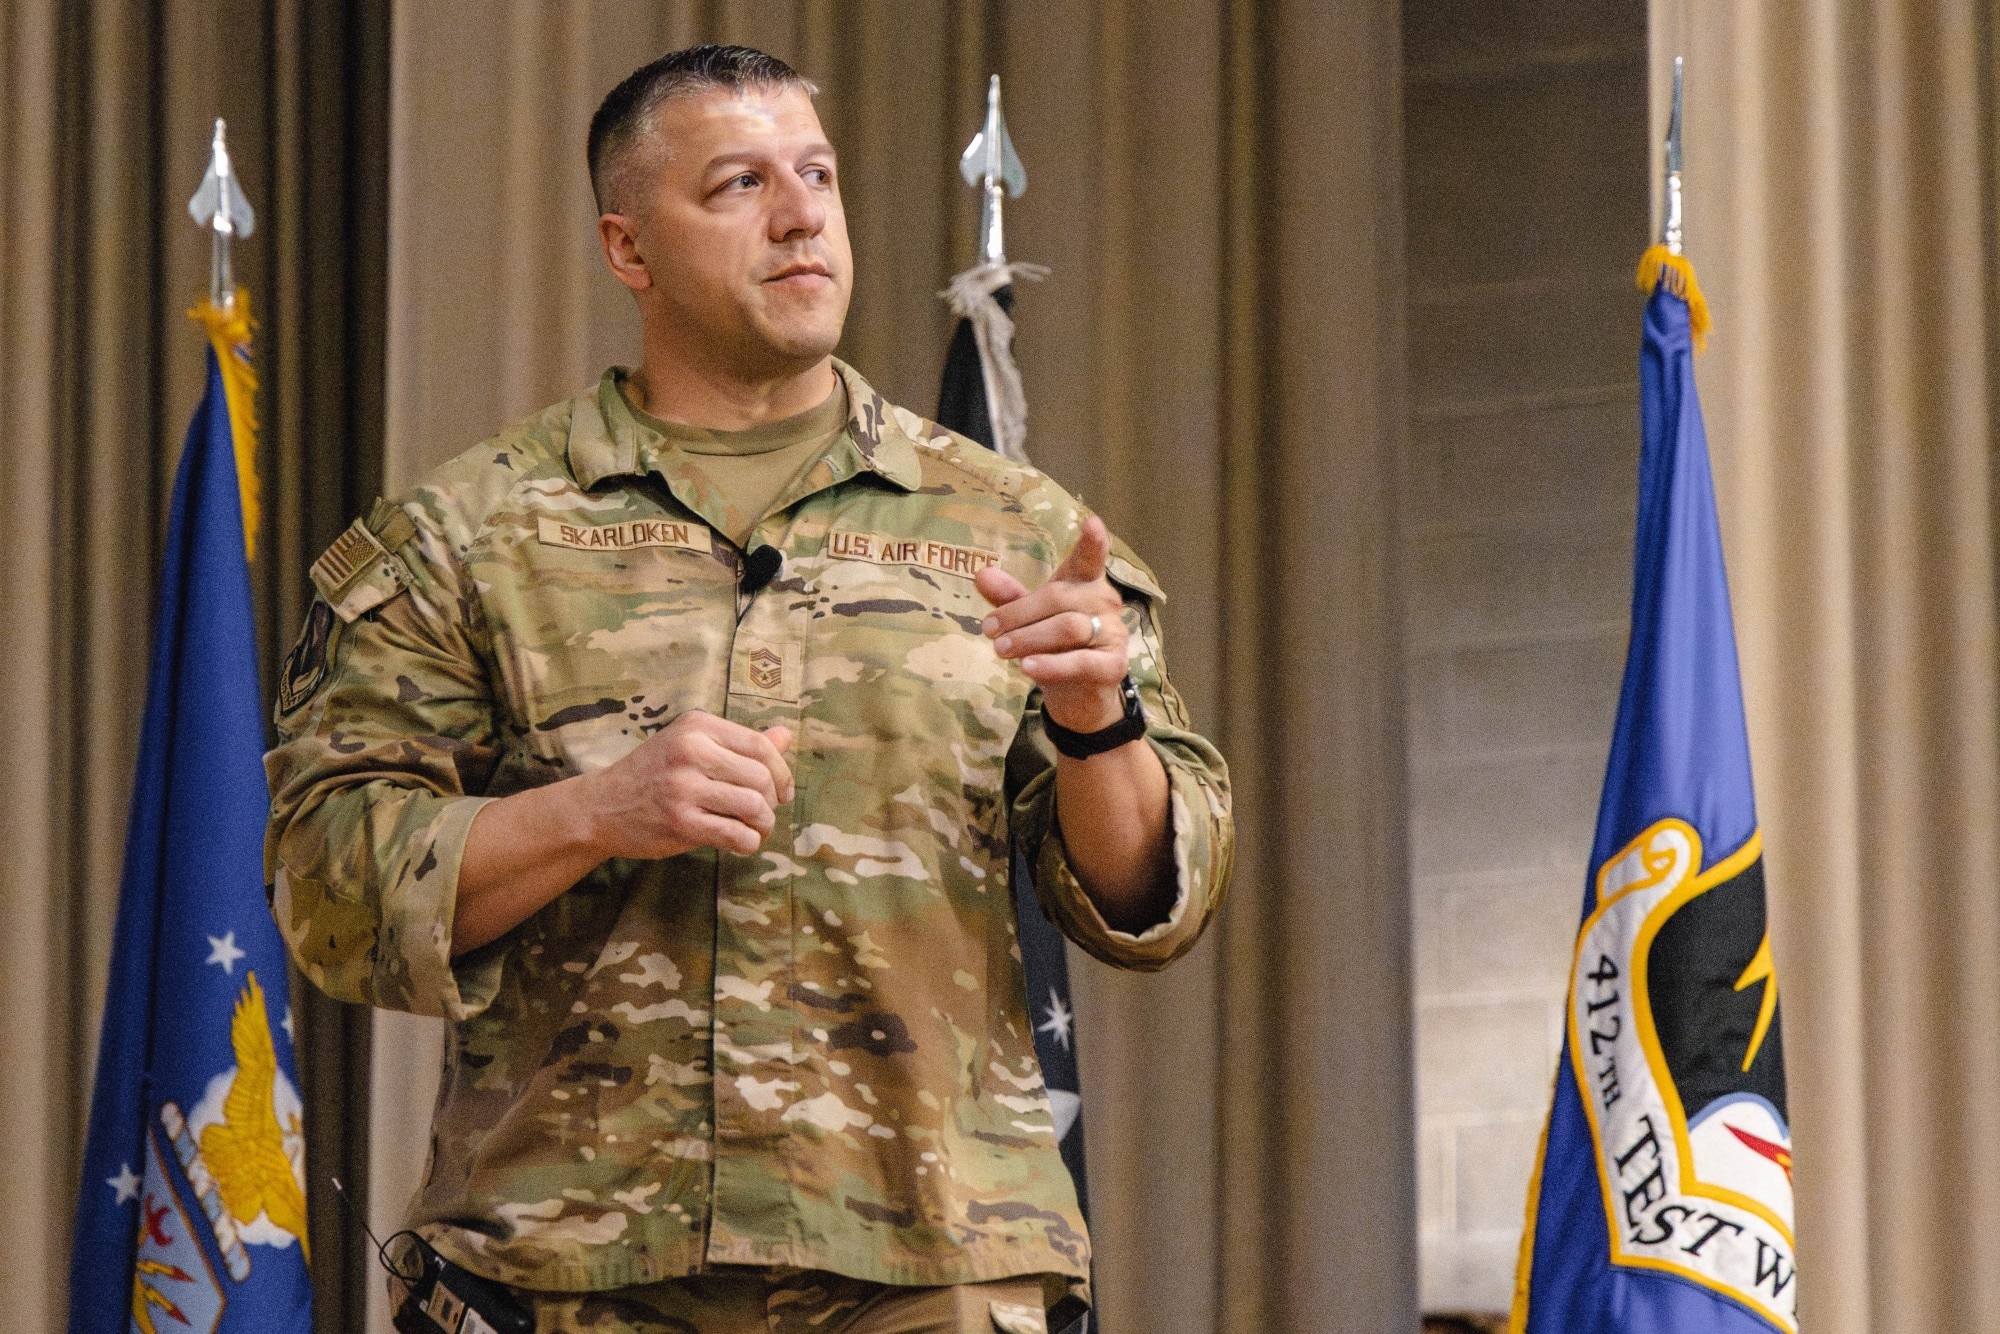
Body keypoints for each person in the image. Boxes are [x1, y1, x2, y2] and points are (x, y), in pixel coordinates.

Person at [266, 43, 1231, 1334]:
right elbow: (328, 883)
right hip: (569, 1264)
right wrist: (595, 813)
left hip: (931, 1265)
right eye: (740, 184)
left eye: (816, 176)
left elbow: (1151, 902)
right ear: (628, 248)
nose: (800, 217)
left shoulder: (1015, 526)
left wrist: (1098, 723)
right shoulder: (469, 533)